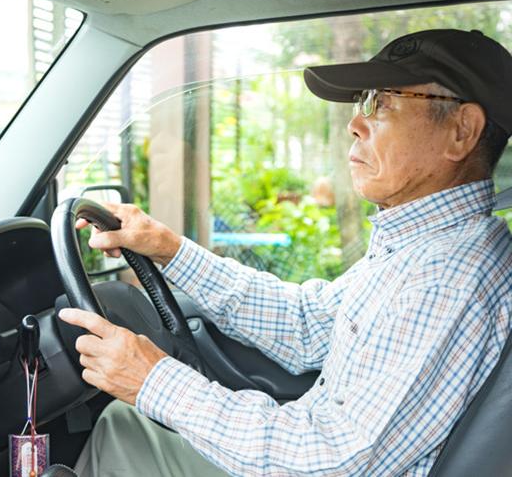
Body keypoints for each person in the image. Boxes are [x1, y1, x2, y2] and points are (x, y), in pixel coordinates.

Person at [59, 29, 512, 476]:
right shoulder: (421, 247)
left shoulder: (447, 278)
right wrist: (168, 248)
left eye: (383, 102)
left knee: (125, 428)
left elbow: (331, 462)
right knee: (124, 426)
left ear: (461, 130)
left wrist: (153, 380)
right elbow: (308, 323)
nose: (355, 123)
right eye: (363, 103)